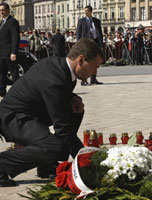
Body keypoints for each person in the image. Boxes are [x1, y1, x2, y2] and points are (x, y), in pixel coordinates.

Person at [0, 38, 103, 187]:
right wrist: (85, 159)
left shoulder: (61, 67)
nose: (95, 72)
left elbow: (56, 95)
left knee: (75, 109)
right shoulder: (56, 80)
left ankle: (46, 165)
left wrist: (73, 98)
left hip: (30, 113)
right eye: (94, 66)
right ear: (80, 60)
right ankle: (2, 164)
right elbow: (62, 127)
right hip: (13, 118)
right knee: (54, 148)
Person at [76, 5, 103, 86]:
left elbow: (100, 34)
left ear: (91, 11)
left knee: (95, 61)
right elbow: (78, 33)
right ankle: (84, 80)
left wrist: (101, 45)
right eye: (85, 10)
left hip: (95, 42)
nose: (85, 12)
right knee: (85, 62)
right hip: (86, 43)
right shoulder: (81, 21)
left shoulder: (97, 21)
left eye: (87, 10)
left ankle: (93, 79)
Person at [0, 2, 20, 97]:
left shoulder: (13, 22)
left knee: (14, 73)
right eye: (0, 10)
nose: (1, 12)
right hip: (1, 53)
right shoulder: (1, 23)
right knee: (1, 73)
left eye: (3, 10)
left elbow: (15, 38)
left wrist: (14, 52)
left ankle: (17, 93)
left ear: (8, 10)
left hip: (9, 53)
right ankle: (2, 91)